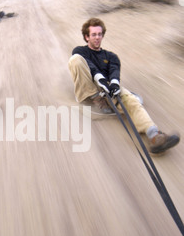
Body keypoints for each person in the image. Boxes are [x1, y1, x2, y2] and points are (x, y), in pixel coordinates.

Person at [68, 17, 180, 154]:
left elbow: (114, 70)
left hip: (108, 91)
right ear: (86, 37)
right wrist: (100, 78)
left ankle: (154, 136)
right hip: (88, 89)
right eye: (93, 34)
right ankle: (97, 99)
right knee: (75, 60)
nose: (97, 37)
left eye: (99, 34)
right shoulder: (80, 51)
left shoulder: (111, 56)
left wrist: (114, 84)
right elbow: (89, 66)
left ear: (102, 35)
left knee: (130, 99)